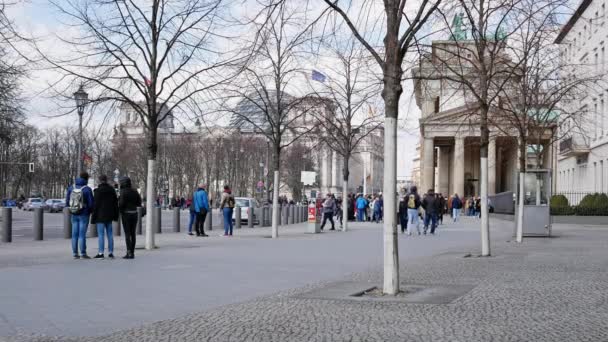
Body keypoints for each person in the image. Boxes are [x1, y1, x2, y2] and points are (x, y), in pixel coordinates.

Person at [66, 172, 94, 259]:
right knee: (82, 235)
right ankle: (83, 253)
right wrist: (90, 211)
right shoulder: (87, 189)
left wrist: (71, 209)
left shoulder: (71, 188)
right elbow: (91, 203)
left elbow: (67, 201)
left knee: (74, 234)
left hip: (74, 213)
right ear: (86, 179)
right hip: (84, 214)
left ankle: (75, 253)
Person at [91, 175, 119, 259]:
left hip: (100, 216)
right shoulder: (112, 190)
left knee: (101, 234)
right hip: (109, 215)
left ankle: (101, 253)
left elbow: (95, 205)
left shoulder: (97, 191)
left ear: (100, 181)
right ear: (106, 180)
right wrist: (115, 215)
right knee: (110, 234)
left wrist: (93, 217)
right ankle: (110, 253)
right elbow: (115, 204)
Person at [118, 176, 141, 259]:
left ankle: (128, 252)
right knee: (133, 233)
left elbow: (121, 204)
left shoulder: (123, 192)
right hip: (134, 213)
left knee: (127, 234)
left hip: (126, 214)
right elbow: (139, 202)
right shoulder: (135, 191)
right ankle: (132, 252)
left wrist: (120, 210)